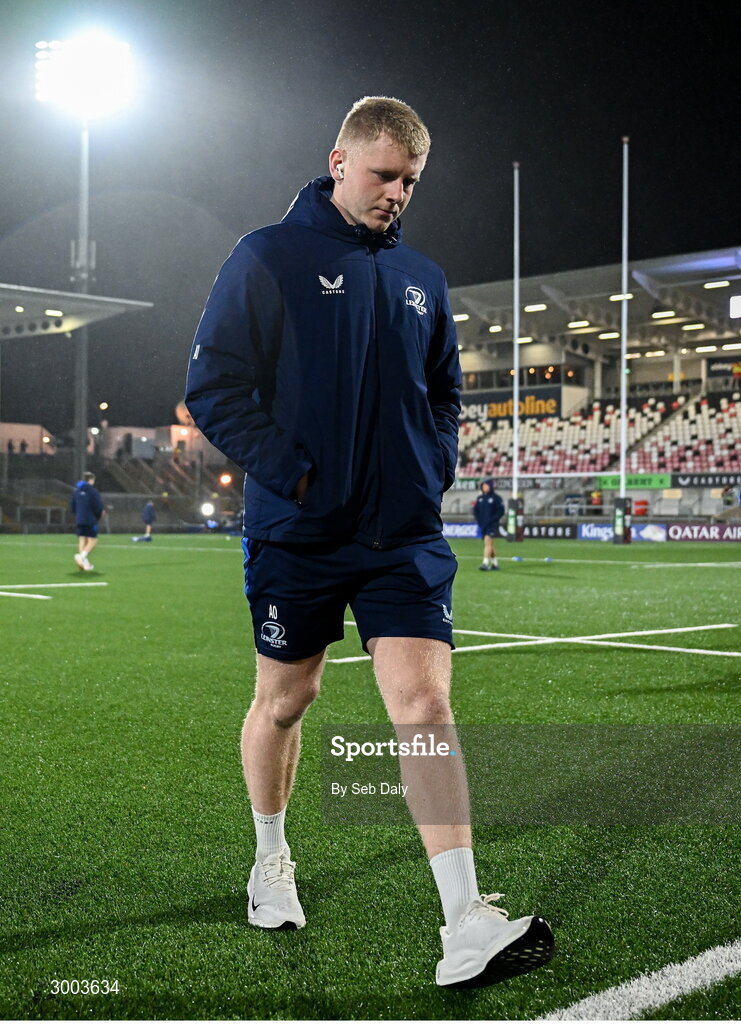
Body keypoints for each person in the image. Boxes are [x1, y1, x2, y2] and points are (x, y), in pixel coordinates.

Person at [185, 96, 553, 987]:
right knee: (286, 699)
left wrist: (430, 468)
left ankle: (463, 919)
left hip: (403, 536)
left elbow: (443, 398)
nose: (397, 194)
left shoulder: (422, 278)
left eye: (411, 182)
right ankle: (271, 856)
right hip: (298, 531)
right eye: (385, 175)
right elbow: (214, 388)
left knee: (422, 703)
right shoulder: (265, 257)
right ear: (339, 160)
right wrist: (300, 476)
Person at [70, 471, 104, 571]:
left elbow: (72, 507)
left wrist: (78, 515)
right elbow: (98, 507)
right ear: (91, 480)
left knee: (82, 539)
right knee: (93, 540)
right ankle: (82, 557)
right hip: (90, 519)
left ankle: (84, 564)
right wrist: (97, 517)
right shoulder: (93, 492)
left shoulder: (76, 491)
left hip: (79, 519)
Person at [474, 479, 505, 570]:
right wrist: (479, 521)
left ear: (490, 486)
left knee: (488, 542)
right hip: (483, 525)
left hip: (492, 525)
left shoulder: (496, 498)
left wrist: (494, 520)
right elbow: (476, 511)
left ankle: (485, 563)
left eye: (486, 485)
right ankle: (495, 564)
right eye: (483, 486)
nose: (484, 487)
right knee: (489, 544)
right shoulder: (480, 498)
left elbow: (501, 511)